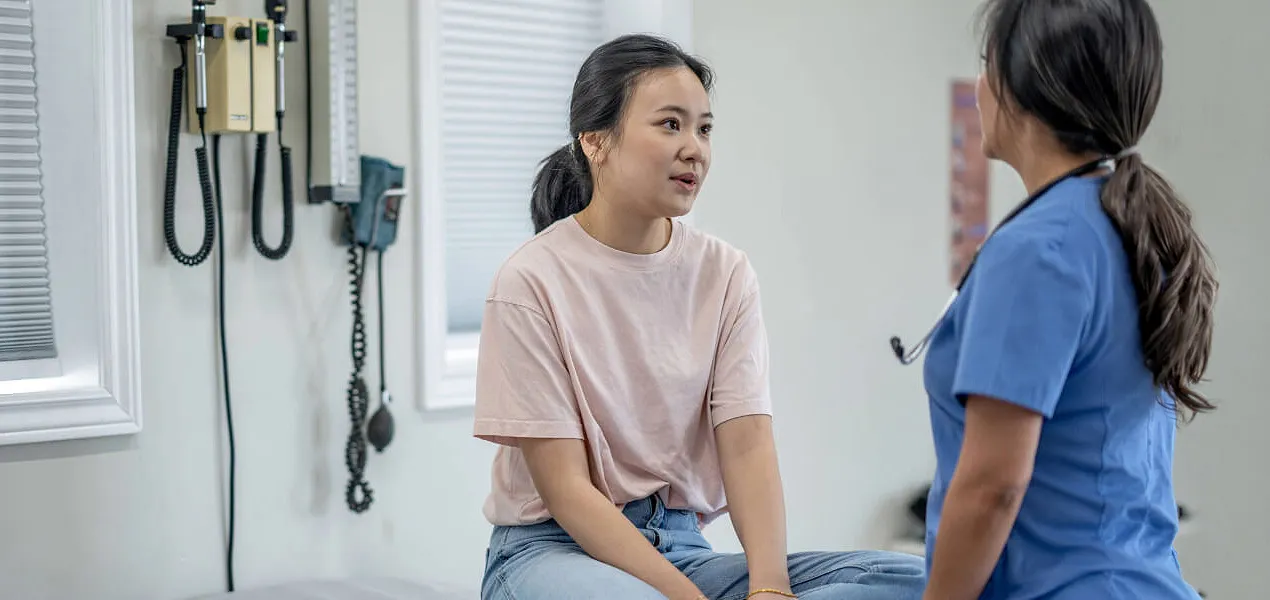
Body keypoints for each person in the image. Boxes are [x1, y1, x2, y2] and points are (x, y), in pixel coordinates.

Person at [472, 33, 925, 600]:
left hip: (680, 547)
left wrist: (769, 590)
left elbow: (748, 443)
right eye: (670, 124)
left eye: (704, 128)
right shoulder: (530, 280)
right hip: (552, 548)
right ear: (595, 140)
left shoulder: (725, 273)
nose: (695, 149)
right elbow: (566, 490)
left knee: (916, 579)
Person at [919, 1, 1216, 599]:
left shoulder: (1036, 250)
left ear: (1019, 84)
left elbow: (992, 488)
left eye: (987, 64)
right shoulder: (1134, 227)